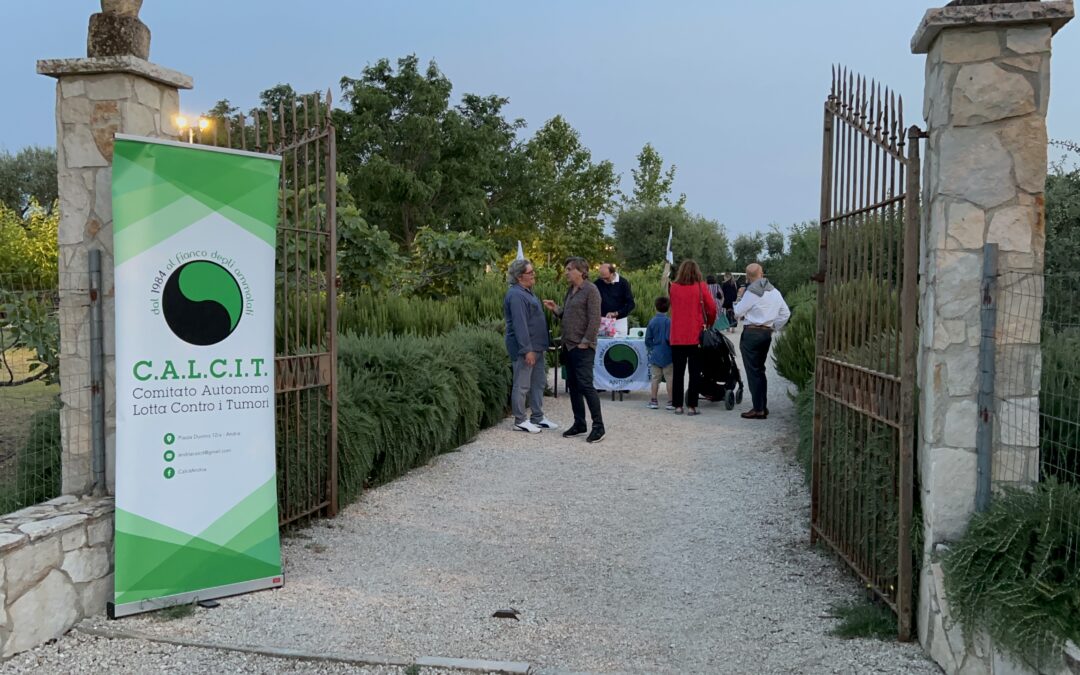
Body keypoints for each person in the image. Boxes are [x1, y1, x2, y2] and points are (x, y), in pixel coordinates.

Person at [543, 257, 605, 443]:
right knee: (574, 386)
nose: (566, 272)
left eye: (569, 269)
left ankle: (598, 427)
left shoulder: (591, 290)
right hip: (568, 345)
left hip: (582, 347)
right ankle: (579, 423)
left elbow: (595, 319)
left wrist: (586, 342)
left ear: (581, 271)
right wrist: (557, 310)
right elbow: (570, 315)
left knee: (586, 385)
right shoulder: (571, 290)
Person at [503, 258, 559, 434]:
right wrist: (527, 350)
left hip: (537, 347)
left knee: (538, 382)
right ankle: (520, 420)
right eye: (530, 272)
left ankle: (538, 417)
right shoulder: (516, 295)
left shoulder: (527, 291)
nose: (534, 274)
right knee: (522, 384)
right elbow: (520, 325)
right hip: (526, 350)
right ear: (520, 277)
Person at [733, 262, 791, 420]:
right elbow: (785, 313)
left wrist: (739, 297)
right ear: (762, 274)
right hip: (766, 333)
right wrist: (774, 327)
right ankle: (762, 406)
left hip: (751, 333)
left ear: (747, 276)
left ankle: (758, 408)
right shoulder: (774, 292)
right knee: (760, 370)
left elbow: (737, 312)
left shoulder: (751, 292)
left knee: (753, 371)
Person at [667, 259, 718, 416]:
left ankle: (677, 405)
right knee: (694, 372)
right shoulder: (701, 287)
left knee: (678, 372)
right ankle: (692, 406)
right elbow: (712, 308)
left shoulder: (673, 288)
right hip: (695, 335)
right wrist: (708, 324)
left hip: (677, 336)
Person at [644, 296, 675, 410]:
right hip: (668, 353)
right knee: (670, 378)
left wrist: (652, 348)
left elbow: (647, 339)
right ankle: (670, 401)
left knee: (655, 378)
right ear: (669, 308)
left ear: (655, 307)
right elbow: (671, 338)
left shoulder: (652, 321)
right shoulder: (669, 321)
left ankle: (653, 400)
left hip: (655, 353)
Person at [596, 263, 635, 337]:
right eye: (602, 278)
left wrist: (616, 313)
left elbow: (631, 304)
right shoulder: (598, 283)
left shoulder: (623, 283)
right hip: (602, 321)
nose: (604, 280)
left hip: (619, 322)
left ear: (612, 273)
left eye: (606, 278)